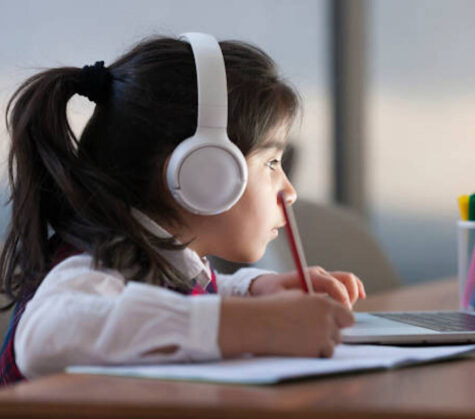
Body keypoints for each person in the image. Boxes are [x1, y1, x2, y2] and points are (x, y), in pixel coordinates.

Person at [0, 34, 366, 385]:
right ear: (203, 172)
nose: (289, 190)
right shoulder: (100, 261)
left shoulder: (153, 257)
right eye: (271, 162)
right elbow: (46, 334)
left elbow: (170, 298)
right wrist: (253, 324)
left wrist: (253, 291)